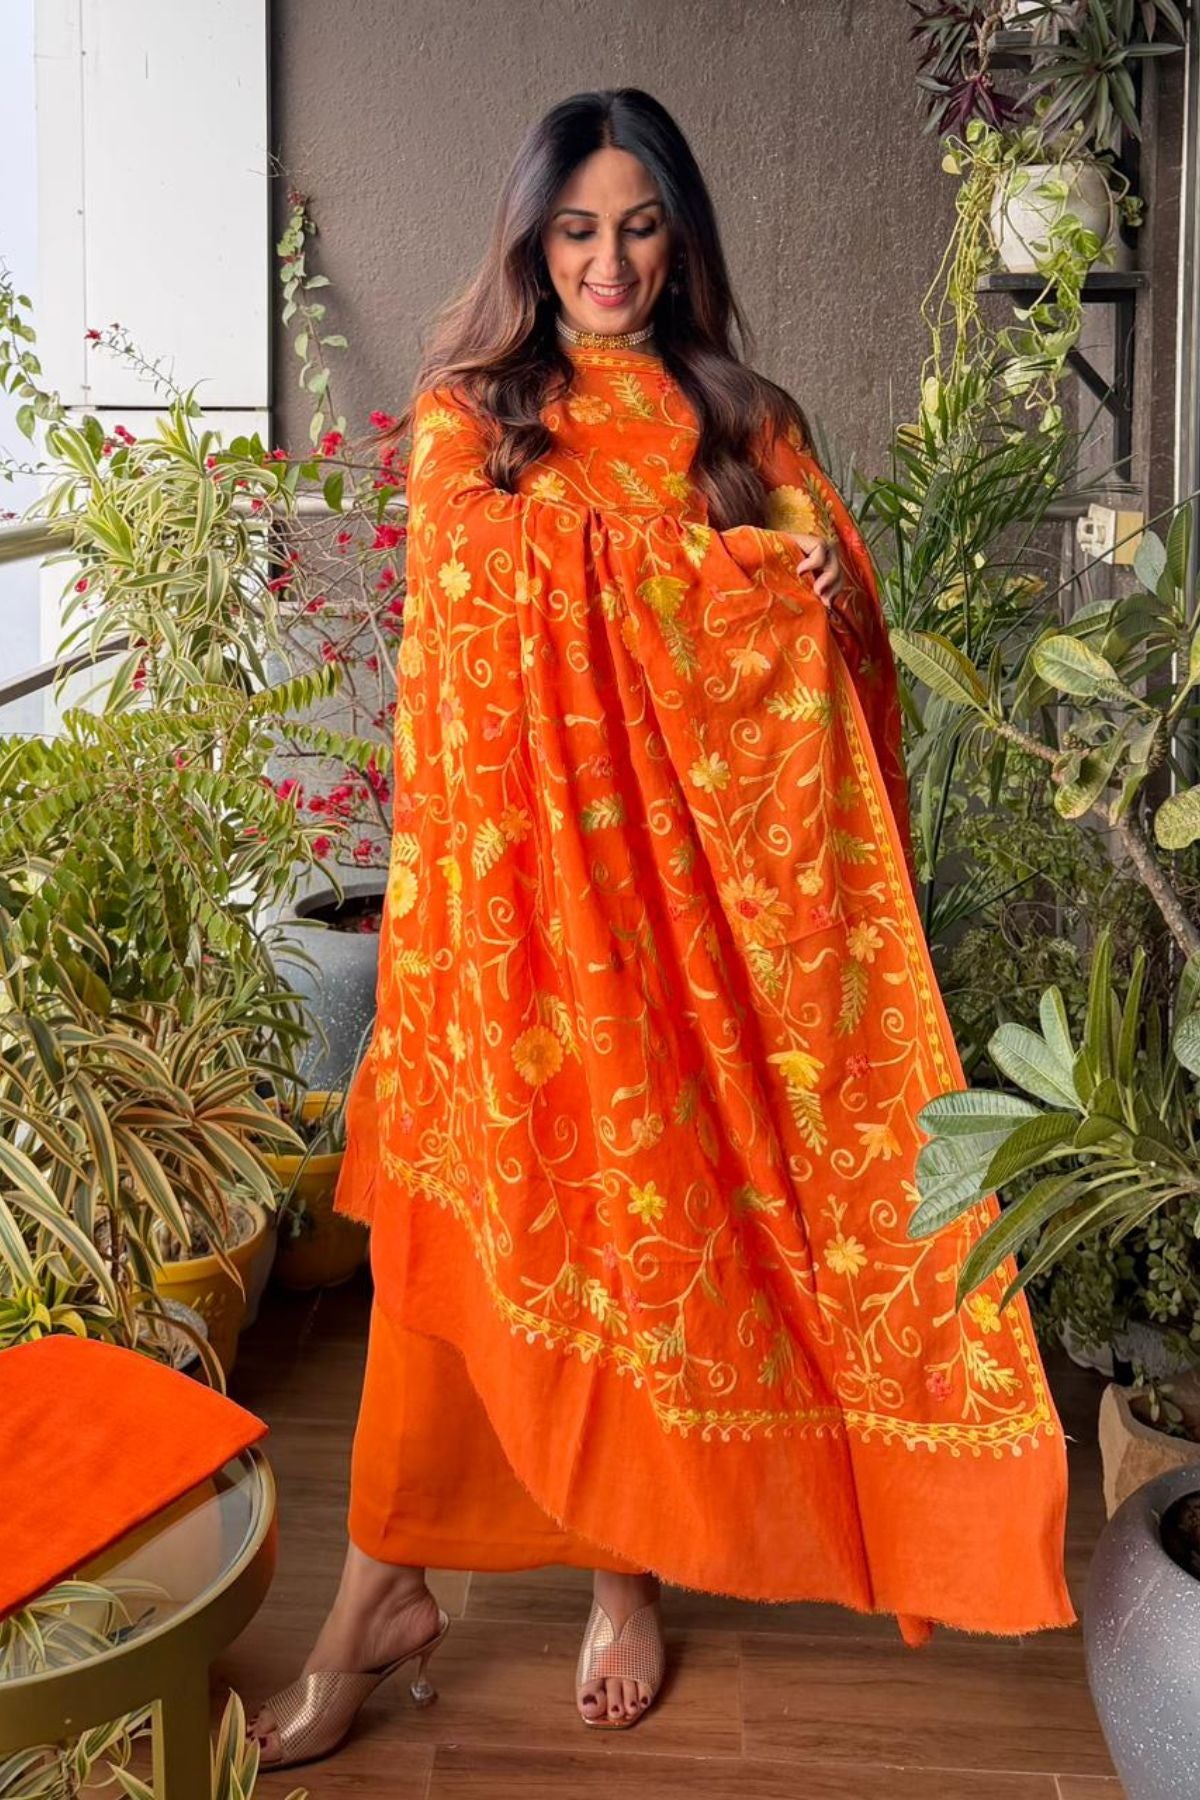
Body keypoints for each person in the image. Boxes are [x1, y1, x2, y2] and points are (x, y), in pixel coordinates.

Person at [248, 86, 1074, 1771]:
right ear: (532, 240)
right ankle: (374, 1597)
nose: (608, 263)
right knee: (448, 1256)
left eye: (637, 228)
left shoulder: (740, 421)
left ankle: (622, 1575)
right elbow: (468, 634)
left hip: (674, 936)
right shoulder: (476, 422)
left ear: (680, 241)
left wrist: (824, 595)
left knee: (641, 1230)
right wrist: (695, 580)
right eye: (576, 230)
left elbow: (823, 652)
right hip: (505, 934)